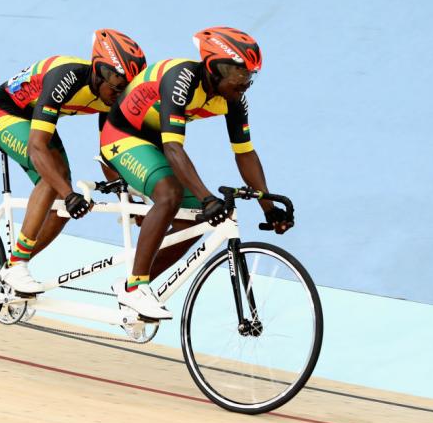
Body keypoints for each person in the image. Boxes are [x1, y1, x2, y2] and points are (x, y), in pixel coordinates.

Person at [100, 26, 292, 319]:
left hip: (155, 141)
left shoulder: (235, 99)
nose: (246, 83)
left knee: (196, 220)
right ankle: (133, 289)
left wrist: (267, 206)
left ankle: (133, 283)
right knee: (170, 194)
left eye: (250, 76)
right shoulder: (182, 79)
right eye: (240, 75)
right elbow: (174, 149)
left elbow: (245, 153)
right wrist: (206, 197)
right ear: (216, 68)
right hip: (122, 136)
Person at [0, 29, 146, 294]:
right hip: (5, 112)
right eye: (116, 85)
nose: (120, 93)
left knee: (62, 208)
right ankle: (16, 267)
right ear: (98, 70)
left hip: (35, 118)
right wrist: (69, 194)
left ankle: (10, 268)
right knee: (54, 178)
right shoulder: (66, 77)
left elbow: (109, 152)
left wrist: (127, 201)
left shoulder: (113, 96)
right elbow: (37, 148)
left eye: (126, 87)